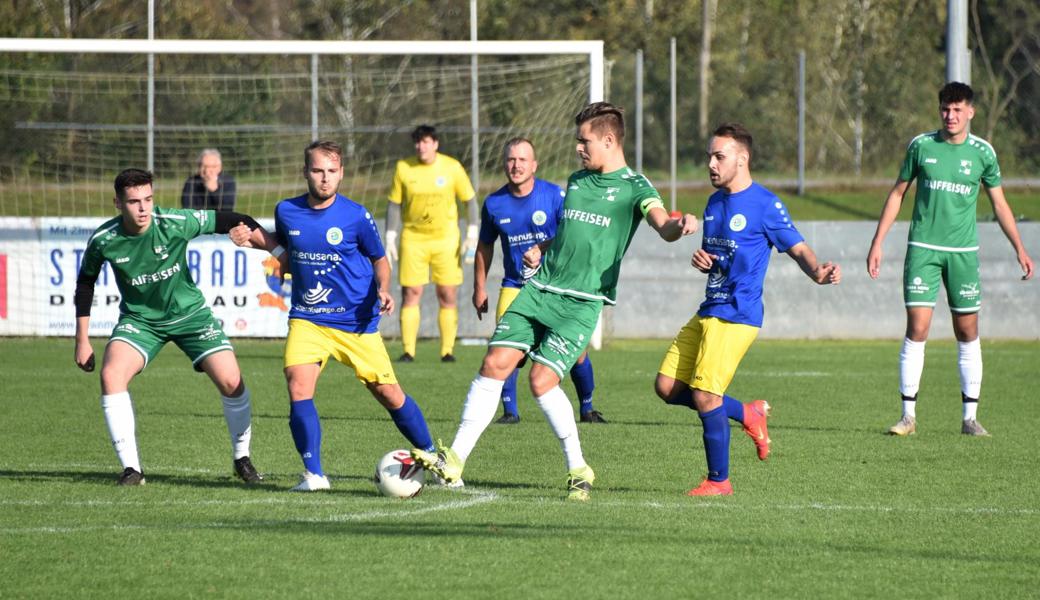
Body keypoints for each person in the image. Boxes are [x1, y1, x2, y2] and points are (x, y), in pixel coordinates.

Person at [413, 102, 699, 501]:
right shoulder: (578, 180)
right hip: (540, 288)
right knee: (494, 362)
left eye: (585, 142)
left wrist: (679, 226)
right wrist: (542, 247)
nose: (578, 149)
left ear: (609, 140)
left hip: (582, 302)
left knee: (540, 381)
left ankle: (579, 468)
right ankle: (455, 459)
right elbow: (571, 231)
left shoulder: (636, 186)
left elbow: (661, 222)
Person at [231, 140, 439, 492]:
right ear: (305, 172)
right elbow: (285, 250)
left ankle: (434, 457)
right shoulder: (287, 210)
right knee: (298, 384)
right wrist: (252, 239)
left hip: (356, 321)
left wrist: (384, 289)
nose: (324, 178)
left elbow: (380, 260)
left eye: (331, 171)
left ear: (341, 173)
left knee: (388, 393)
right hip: (308, 318)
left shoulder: (357, 215)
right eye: (317, 171)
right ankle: (314, 475)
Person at [654, 123, 842, 497]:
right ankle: (748, 414)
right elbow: (719, 256)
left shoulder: (766, 204)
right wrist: (705, 260)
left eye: (719, 156)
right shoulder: (714, 203)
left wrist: (817, 272)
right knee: (667, 387)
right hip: (710, 306)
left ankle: (719, 481)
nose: (711, 163)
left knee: (706, 396)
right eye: (710, 155)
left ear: (743, 159)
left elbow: (799, 248)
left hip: (738, 313)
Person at [74, 168, 263, 486]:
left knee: (232, 381)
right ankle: (132, 470)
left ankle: (242, 458)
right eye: (134, 202)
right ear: (118, 203)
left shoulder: (174, 221)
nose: (144, 208)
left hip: (192, 317)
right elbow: (85, 284)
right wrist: (81, 340)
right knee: (111, 375)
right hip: (140, 321)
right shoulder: (104, 239)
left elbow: (234, 218)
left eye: (148, 199)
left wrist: (269, 246)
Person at [867, 82, 1034, 437]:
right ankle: (907, 417)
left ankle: (970, 418)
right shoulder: (922, 146)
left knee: (967, 330)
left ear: (970, 112)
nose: (951, 115)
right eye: (945, 108)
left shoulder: (983, 153)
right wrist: (877, 242)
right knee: (918, 328)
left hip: (963, 254)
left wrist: (1019, 247)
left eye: (958, 109)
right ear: (939, 110)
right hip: (923, 251)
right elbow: (898, 193)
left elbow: (1000, 204)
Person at [473, 137, 604, 425]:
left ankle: (588, 408)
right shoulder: (494, 203)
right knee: (505, 345)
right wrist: (479, 287)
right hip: (515, 285)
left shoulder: (555, 196)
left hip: (556, 285)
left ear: (534, 165)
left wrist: (542, 249)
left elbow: (572, 234)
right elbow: (485, 247)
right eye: (511, 159)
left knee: (577, 352)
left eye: (522, 160)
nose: (516, 165)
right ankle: (510, 411)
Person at [385, 125, 479, 363]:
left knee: (447, 292)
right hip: (414, 239)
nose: (421, 147)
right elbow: (394, 204)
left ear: (435, 143)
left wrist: (472, 230)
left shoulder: (451, 167)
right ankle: (408, 351)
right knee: (411, 292)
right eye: (418, 142)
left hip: (446, 240)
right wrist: (390, 236)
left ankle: (447, 351)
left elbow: (469, 200)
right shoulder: (404, 168)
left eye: (426, 142)